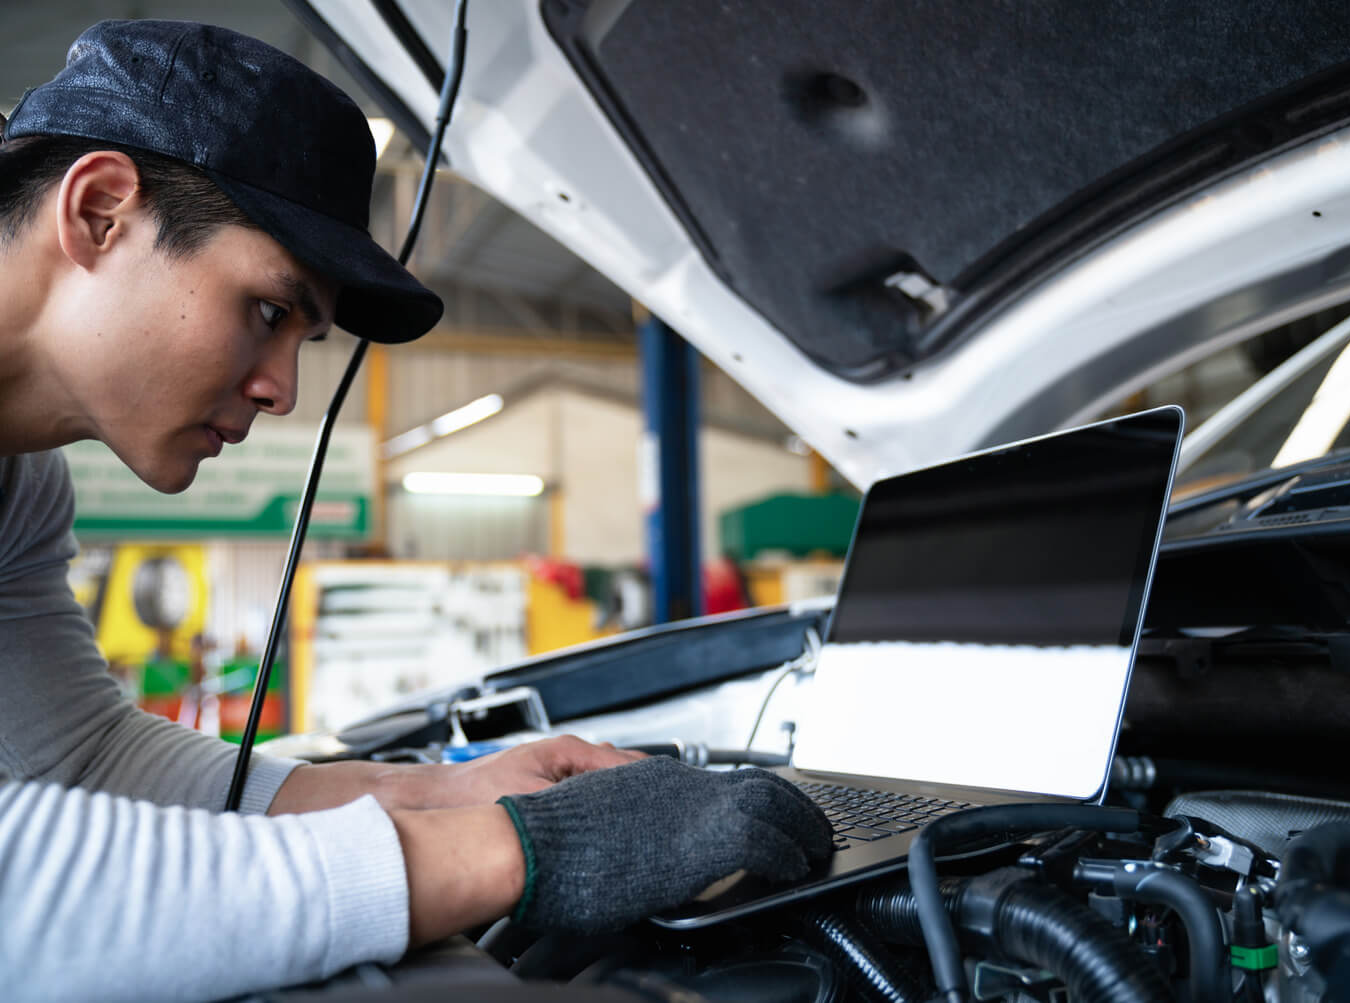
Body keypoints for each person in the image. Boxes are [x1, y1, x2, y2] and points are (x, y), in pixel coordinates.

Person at [0, 20, 831, 1001]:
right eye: (268, 310)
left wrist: (446, 791)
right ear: (100, 212)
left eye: (303, 340)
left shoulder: (24, 484)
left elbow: (83, 760)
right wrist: (509, 852)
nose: (282, 391)